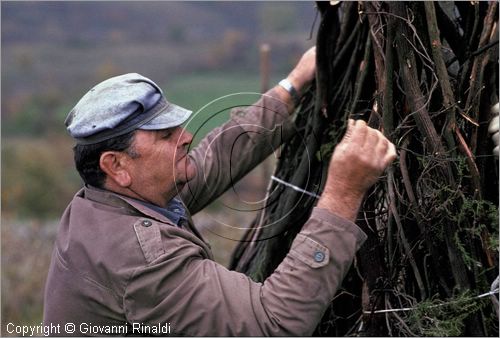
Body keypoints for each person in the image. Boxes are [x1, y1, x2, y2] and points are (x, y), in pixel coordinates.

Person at [43, 47, 396, 336]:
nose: (186, 137)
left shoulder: (113, 199)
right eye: (166, 136)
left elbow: (215, 159)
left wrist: (291, 86)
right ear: (116, 165)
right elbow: (273, 324)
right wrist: (343, 191)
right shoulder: (142, 262)